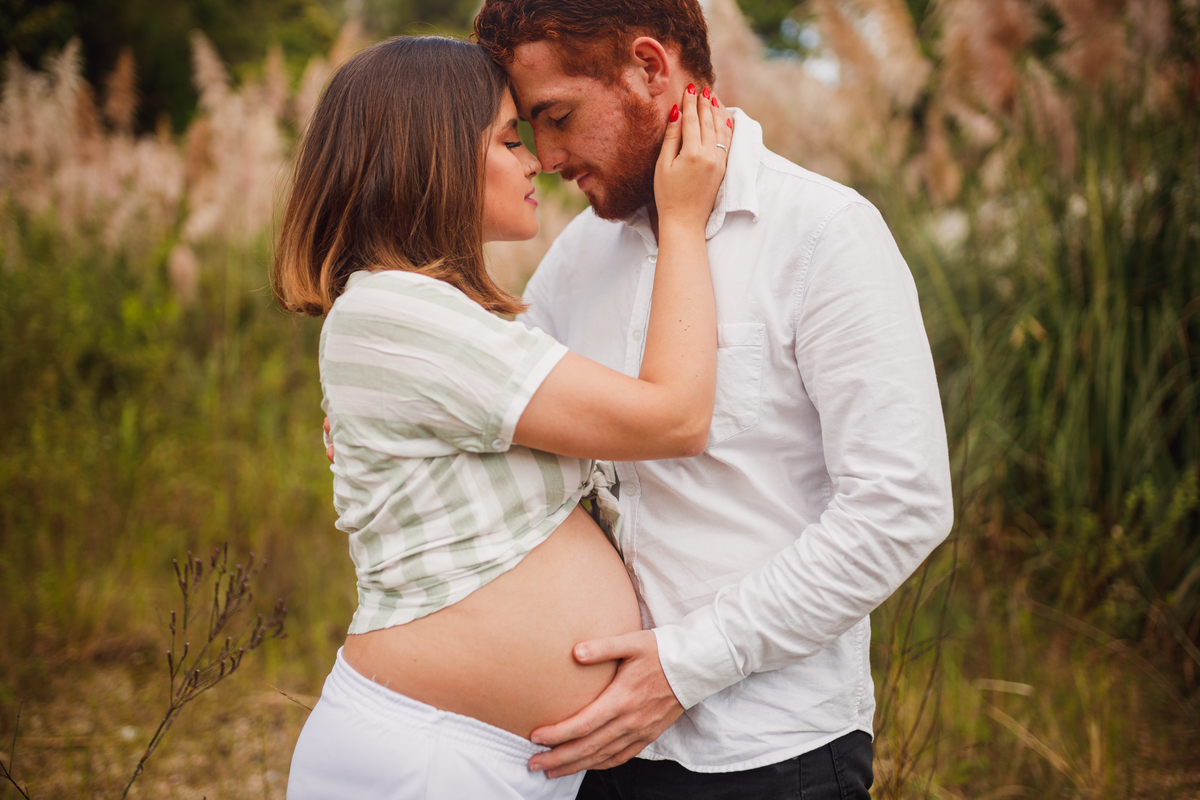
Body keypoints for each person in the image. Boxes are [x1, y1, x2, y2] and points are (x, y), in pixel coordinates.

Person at [470, 1, 956, 797]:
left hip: (770, 754)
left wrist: (685, 666)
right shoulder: (575, 256)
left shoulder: (825, 235)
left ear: (650, 68)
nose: (549, 157)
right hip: (593, 752)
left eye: (558, 116)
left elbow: (901, 505)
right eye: (530, 128)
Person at [272, 35, 731, 800]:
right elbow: (675, 419)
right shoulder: (397, 310)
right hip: (428, 760)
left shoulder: (444, 315)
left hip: (484, 759)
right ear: (433, 158)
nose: (537, 162)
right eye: (511, 138)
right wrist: (681, 221)